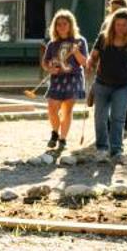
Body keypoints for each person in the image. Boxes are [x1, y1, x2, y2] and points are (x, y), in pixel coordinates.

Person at [86, 6, 127, 160]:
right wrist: (90, 62)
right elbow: (93, 56)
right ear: (113, 24)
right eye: (118, 24)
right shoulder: (103, 38)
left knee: (118, 118)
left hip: (123, 86)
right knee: (100, 118)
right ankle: (102, 148)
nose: (120, 28)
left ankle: (117, 150)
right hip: (102, 84)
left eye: (124, 25)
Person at [40, 10, 88, 151]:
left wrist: (76, 52)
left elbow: (85, 62)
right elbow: (45, 62)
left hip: (74, 78)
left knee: (67, 109)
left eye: (64, 24)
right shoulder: (52, 44)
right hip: (57, 79)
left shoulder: (80, 41)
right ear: (54, 26)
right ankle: (55, 133)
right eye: (58, 24)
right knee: (52, 106)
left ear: (70, 25)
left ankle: (63, 139)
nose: (61, 27)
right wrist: (50, 69)